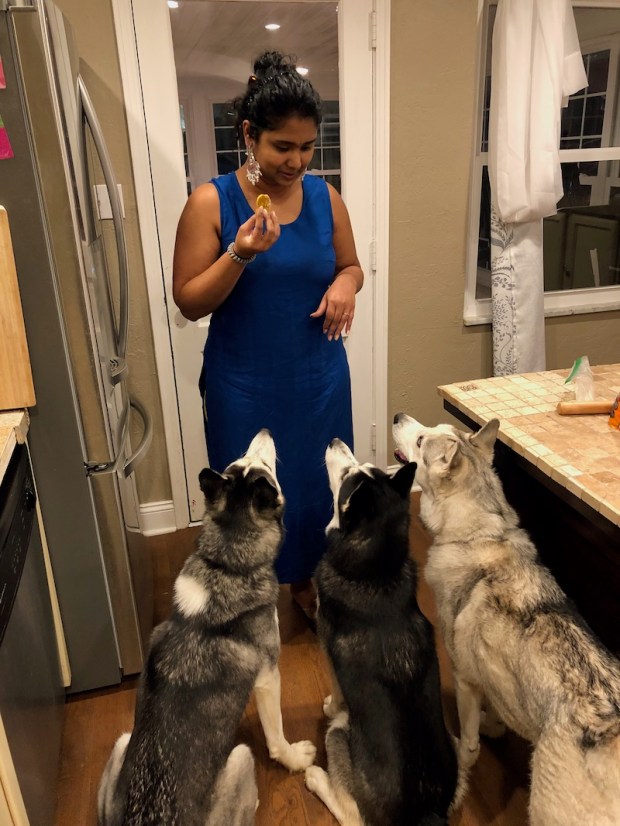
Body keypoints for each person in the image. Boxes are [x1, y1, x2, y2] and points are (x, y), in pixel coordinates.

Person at [172, 50, 363, 623]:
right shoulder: (213, 201)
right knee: (243, 505)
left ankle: (307, 585)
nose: (297, 161)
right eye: (283, 146)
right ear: (250, 135)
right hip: (244, 384)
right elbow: (187, 300)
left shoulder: (326, 199)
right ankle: (245, 603)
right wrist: (239, 253)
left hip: (319, 379)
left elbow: (351, 266)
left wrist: (346, 287)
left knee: (311, 491)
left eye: (306, 147)